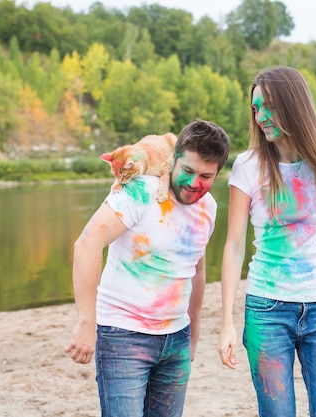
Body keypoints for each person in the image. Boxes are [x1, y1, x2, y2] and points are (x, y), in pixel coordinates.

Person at [217, 66, 316, 417]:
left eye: (267, 107)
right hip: (267, 310)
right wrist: (227, 321)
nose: (261, 117)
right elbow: (234, 246)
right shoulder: (248, 166)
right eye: (256, 109)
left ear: (293, 105)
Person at [66, 119, 231, 417]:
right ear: (175, 158)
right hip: (123, 337)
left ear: (218, 172)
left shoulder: (209, 209)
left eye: (206, 176)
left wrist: (194, 334)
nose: (195, 183)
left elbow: (197, 271)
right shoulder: (140, 191)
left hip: (176, 340)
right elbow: (87, 245)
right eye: (188, 171)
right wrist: (86, 322)